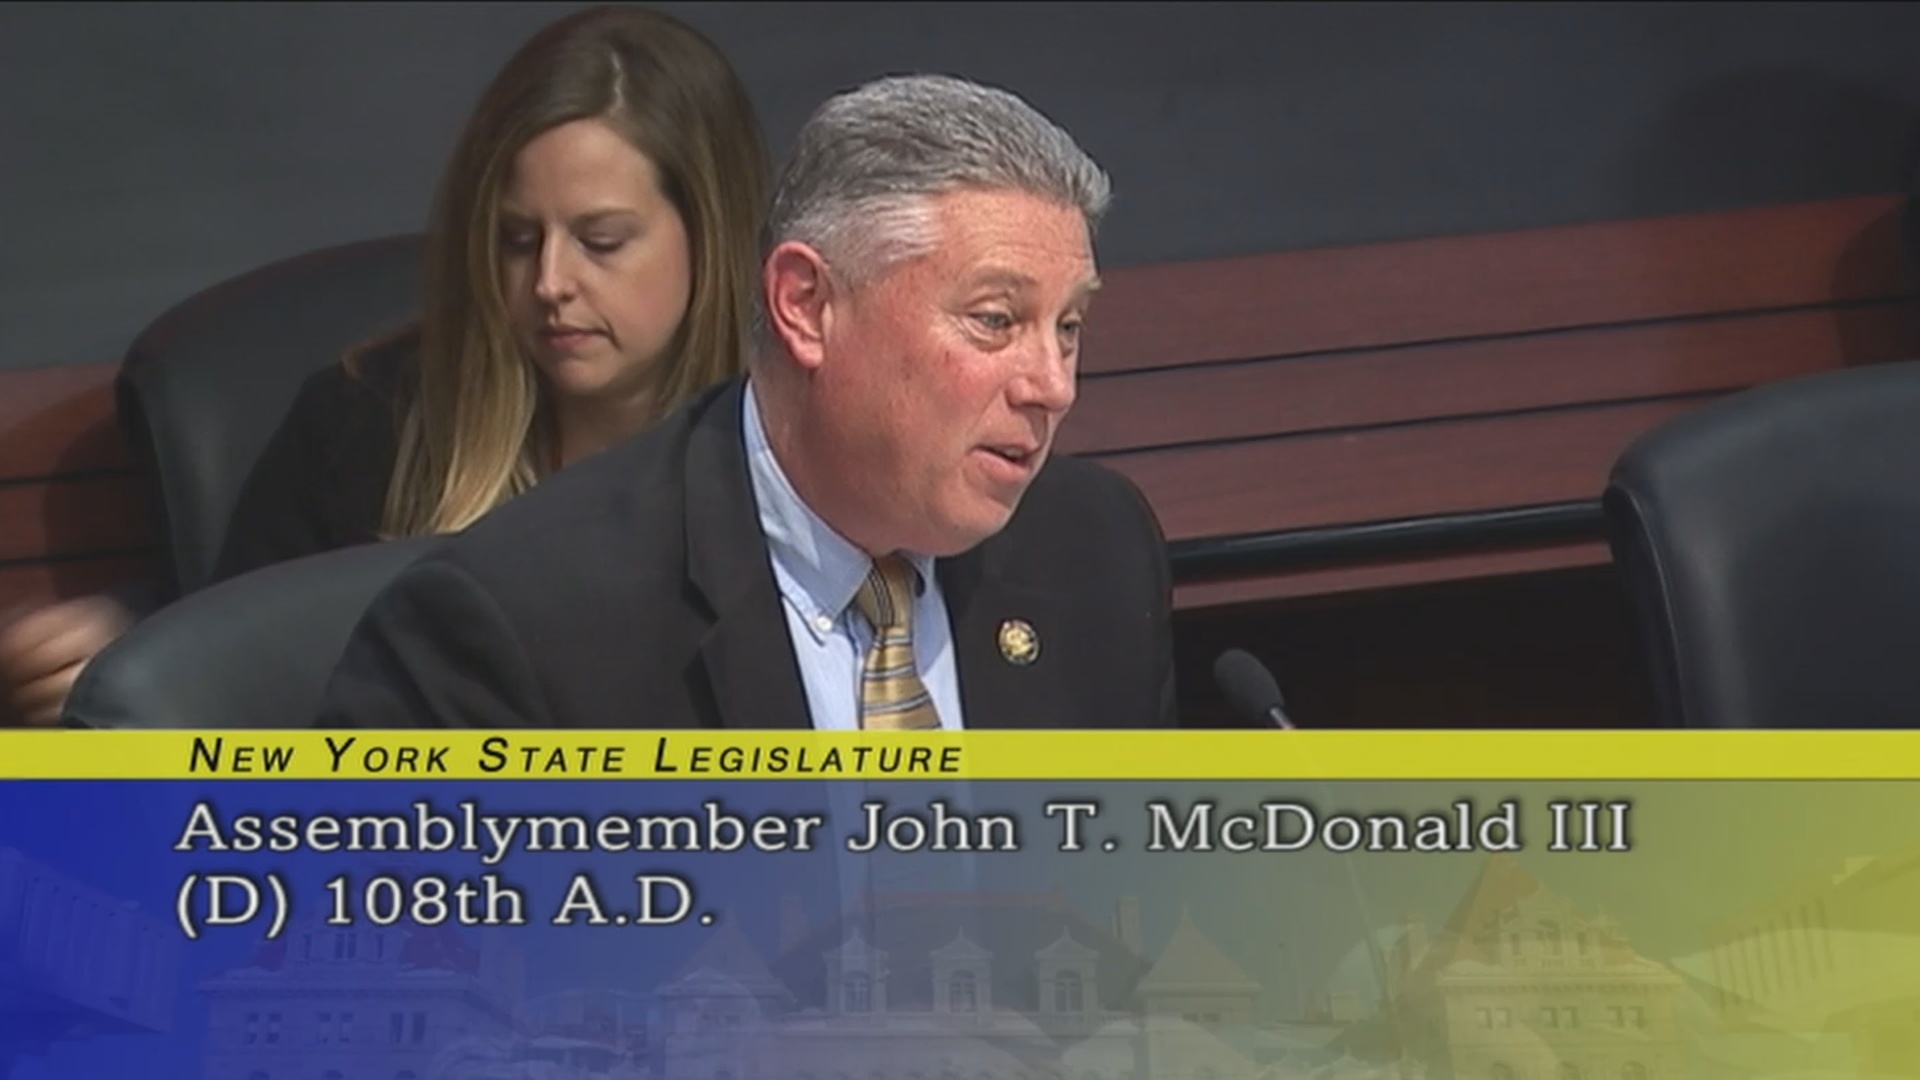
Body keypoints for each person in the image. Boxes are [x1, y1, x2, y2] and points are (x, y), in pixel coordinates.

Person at [317, 73, 1177, 730]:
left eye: (1069, 327)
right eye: (995, 321)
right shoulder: (517, 630)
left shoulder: (1092, 549)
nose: (1052, 385)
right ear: (806, 306)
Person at [0, 4, 769, 726]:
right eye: (515, 240)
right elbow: (233, 666)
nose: (549, 282)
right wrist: (133, 646)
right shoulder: (362, 426)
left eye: (601, 242)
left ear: (711, 234)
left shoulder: (787, 451)